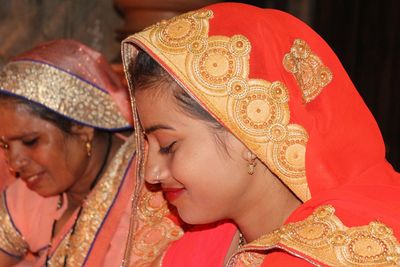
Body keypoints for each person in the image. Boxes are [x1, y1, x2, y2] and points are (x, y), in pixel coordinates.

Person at [121, 3, 400, 266]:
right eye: (147, 146)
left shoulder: (349, 252)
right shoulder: (198, 243)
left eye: (168, 146)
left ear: (247, 127)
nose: (151, 173)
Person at [0, 39, 182, 267]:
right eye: (5, 145)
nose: (14, 163)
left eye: (30, 141)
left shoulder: (153, 193)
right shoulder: (35, 188)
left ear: (82, 127)